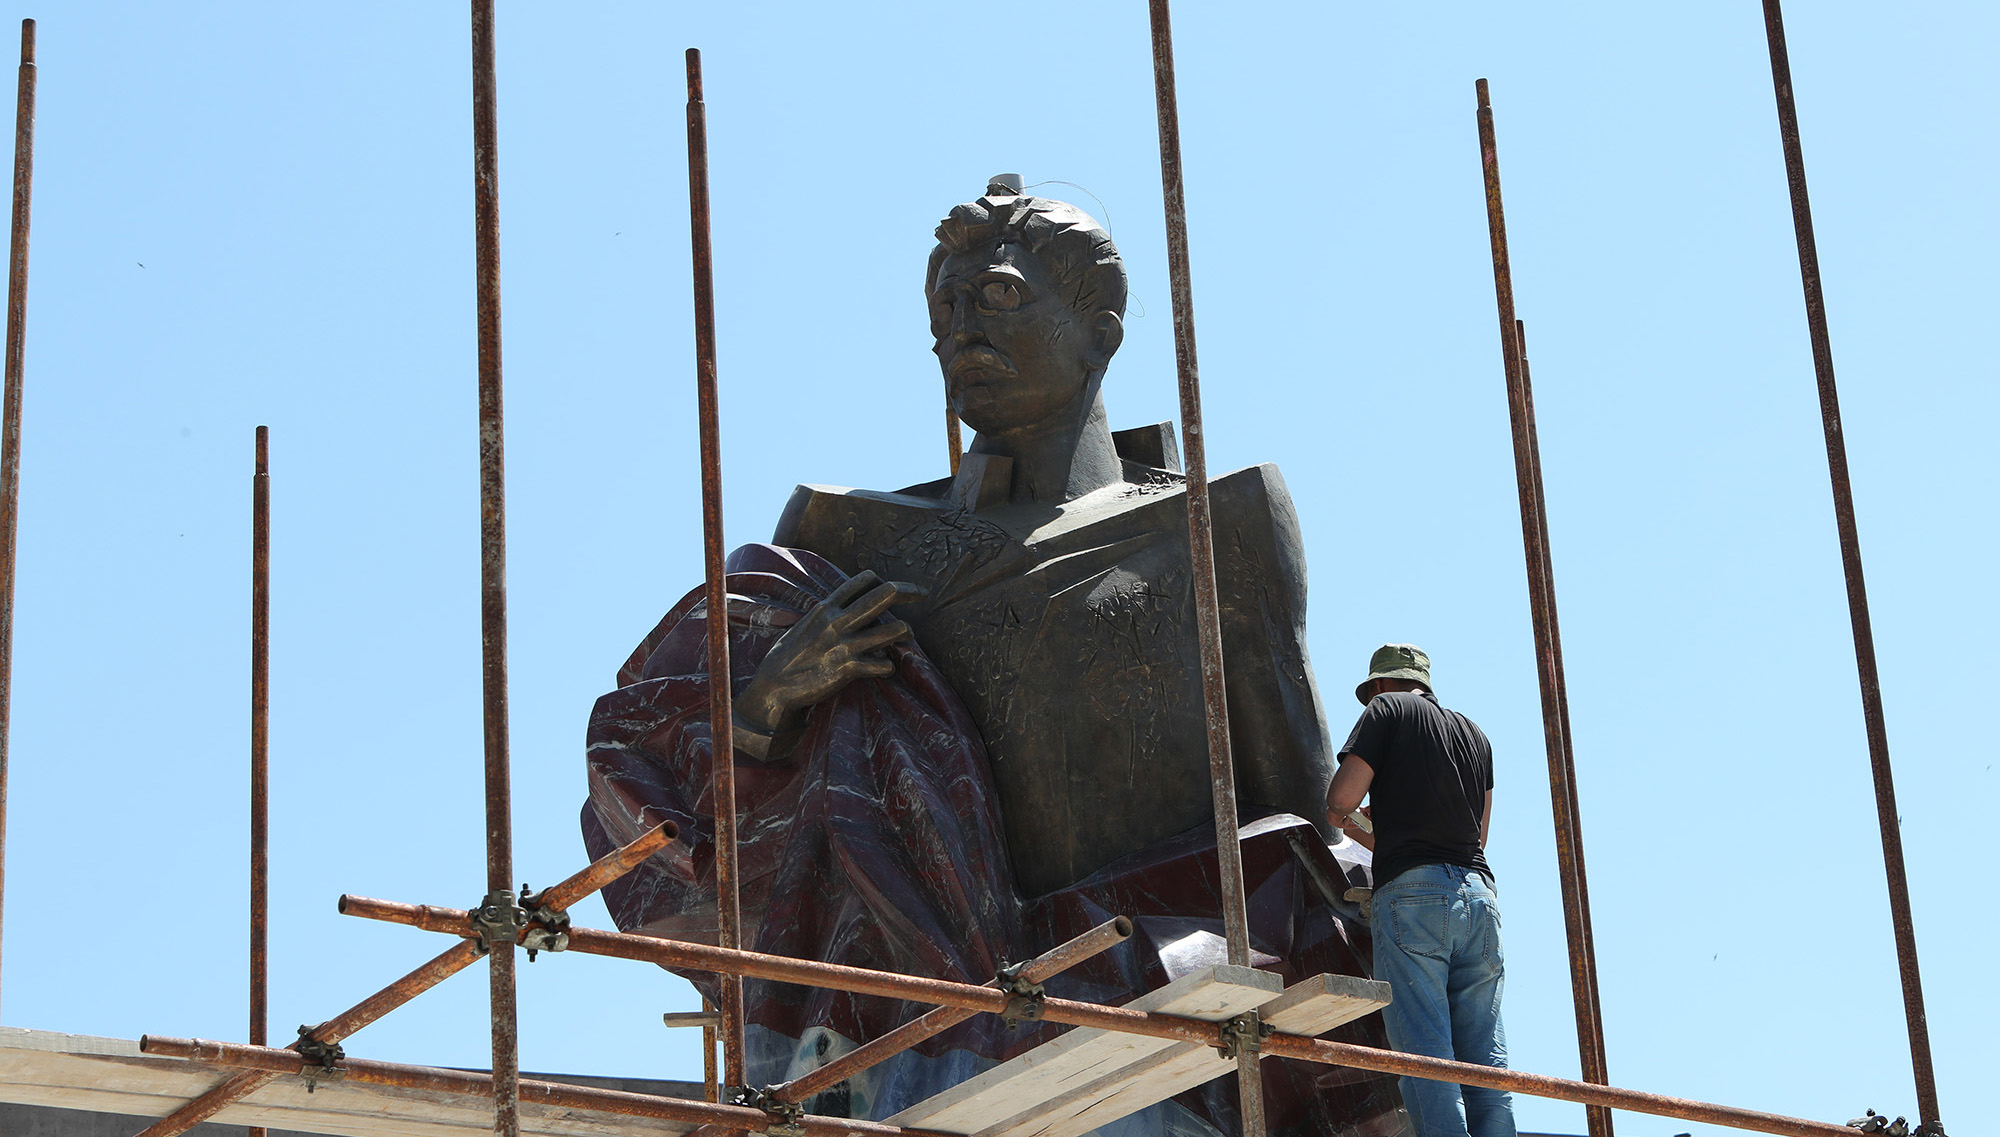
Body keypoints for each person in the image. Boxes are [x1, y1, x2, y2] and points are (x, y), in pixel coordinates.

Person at [1326, 643, 1516, 1137]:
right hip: (1478, 897)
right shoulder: (1475, 734)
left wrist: (1347, 819)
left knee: (1424, 1053)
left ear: (1380, 685)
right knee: (1486, 1060)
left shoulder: (1386, 709)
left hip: (1414, 897)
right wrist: (1382, 827)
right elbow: (1476, 838)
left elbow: (1341, 798)